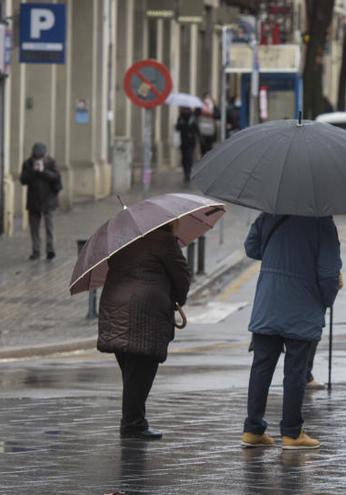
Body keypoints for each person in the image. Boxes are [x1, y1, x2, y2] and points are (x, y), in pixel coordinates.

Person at [241, 214, 342, 450]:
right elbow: (328, 272)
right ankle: (292, 433)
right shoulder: (322, 222)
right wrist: (326, 300)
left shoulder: (270, 213)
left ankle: (253, 429)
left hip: (268, 301)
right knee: (295, 370)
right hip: (302, 304)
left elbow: (251, 247)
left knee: (261, 366)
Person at [97, 224, 192, 440]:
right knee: (141, 372)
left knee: (131, 372)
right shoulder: (165, 242)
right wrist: (177, 298)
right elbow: (182, 277)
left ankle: (134, 421)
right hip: (144, 312)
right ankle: (133, 424)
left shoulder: (122, 240)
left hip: (114, 307)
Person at [20, 143, 62, 261]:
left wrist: (43, 171)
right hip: (33, 202)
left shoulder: (51, 162)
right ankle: (36, 251)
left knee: (50, 227)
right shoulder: (27, 163)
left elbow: (57, 178)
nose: (38, 159)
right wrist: (33, 171)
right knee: (34, 229)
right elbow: (23, 180)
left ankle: (50, 250)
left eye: (40, 157)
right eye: (36, 158)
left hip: (49, 201)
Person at [175, 108, 198, 182]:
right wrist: (180, 124)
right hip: (183, 142)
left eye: (186, 110)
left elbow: (196, 129)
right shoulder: (180, 118)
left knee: (189, 157)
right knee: (184, 158)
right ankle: (185, 173)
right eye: (184, 110)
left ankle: (189, 173)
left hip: (191, 142)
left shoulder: (193, 117)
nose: (185, 111)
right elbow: (177, 128)